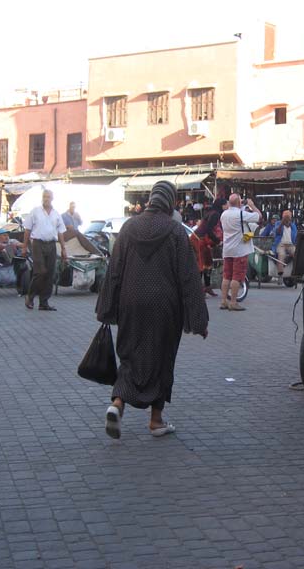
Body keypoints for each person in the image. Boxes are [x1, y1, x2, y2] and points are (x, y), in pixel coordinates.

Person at [96, 181, 209, 440]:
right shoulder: (176, 231)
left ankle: (117, 405)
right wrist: (199, 320)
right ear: (169, 201)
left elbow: (115, 270)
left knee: (129, 356)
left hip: (130, 302)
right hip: (165, 307)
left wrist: (106, 307)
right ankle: (156, 421)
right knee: (162, 359)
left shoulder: (128, 228)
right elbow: (188, 278)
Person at [22, 190, 68, 311]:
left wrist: (63, 249)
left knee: (49, 273)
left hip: (51, 244)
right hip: (38, 243)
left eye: (48, 197)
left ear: (52, 198)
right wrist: (24, 246)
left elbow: (61, 232)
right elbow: (27, 230)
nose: (46, 199)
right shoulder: (35, 211)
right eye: (44, 197)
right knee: (40, 271)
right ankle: (30, 297)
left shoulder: (56, 214)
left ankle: (44, 302)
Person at [219, 194, 262, 311]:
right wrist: (252, 205)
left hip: (227, 249)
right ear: (238, 202)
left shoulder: (224, 215)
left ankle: (223, 301)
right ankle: (233, 302)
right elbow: (259, 217)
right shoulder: (241, 214)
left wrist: (240, 204)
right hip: (239, 250)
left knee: (226, 276)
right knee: (237, 277)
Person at [191, 198, 225, 297]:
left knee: (208, 264)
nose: (227, 206)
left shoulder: (213, 213)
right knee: (201, 265)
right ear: (221, 205)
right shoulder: (215, 214)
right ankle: (199, 289)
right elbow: (209, 229)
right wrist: (217, 241)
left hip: (204, 239)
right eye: (225, 204)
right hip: (199, 239)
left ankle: (207, 287)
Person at [272, 210, 297, 275]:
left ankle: (295, 271)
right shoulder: (278, 223)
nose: (287, 219)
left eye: (288, 217)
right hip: (281, 244)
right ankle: (280, 272)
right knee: (282, 254)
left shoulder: (293, 225)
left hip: (291, 245)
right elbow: (277, 232)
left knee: (296, 254)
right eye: (285, 217)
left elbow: (296, 235)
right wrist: (282, 223)